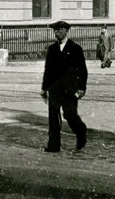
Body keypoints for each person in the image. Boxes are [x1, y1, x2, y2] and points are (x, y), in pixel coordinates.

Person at [41, 20, 88, 153]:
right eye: (54, 30)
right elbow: (48, 70)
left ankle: (81, 131)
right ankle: (54, 145)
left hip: (70, 89)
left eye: (58, 30)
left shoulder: (75, 48)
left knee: (70, 115)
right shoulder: (52, 49)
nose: (56, 33)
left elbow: (82, 70)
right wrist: (44, 88)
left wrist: (81, 88)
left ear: (65, 31)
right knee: (53, 117)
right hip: (54, 89)